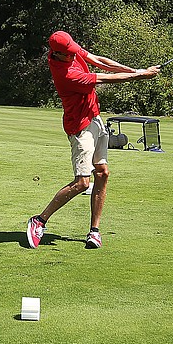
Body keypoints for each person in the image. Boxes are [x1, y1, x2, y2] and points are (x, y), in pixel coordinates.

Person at [26, 31, 160, 250]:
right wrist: (139, 76)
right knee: (82, 183)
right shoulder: (65, 74)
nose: (72, 56)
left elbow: (99, 61)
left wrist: (137, 70)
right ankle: (39, 220)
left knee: (103, 173)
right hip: (80, 127)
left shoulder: (68, 48)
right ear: (57, 54)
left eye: (72, 51)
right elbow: (103, 77)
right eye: (68, 54)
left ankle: (94, 231)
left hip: (94, 118)